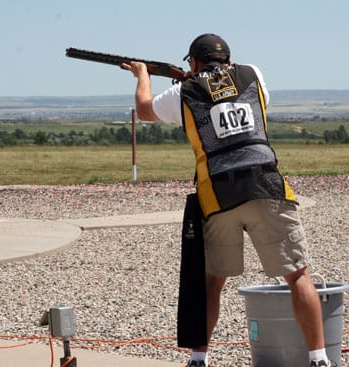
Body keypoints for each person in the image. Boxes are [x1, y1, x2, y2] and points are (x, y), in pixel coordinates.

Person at [122, 33, 332, 367]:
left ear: (192, 63)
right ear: (229, 59)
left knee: (212, 282)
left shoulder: (184, 92)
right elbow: (230, 96)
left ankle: (199, 358)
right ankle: (319, 359)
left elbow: (145, 110)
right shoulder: (253, 74)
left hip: (217, 195)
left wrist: (142, 74)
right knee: (297, 276)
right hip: (266, 185)